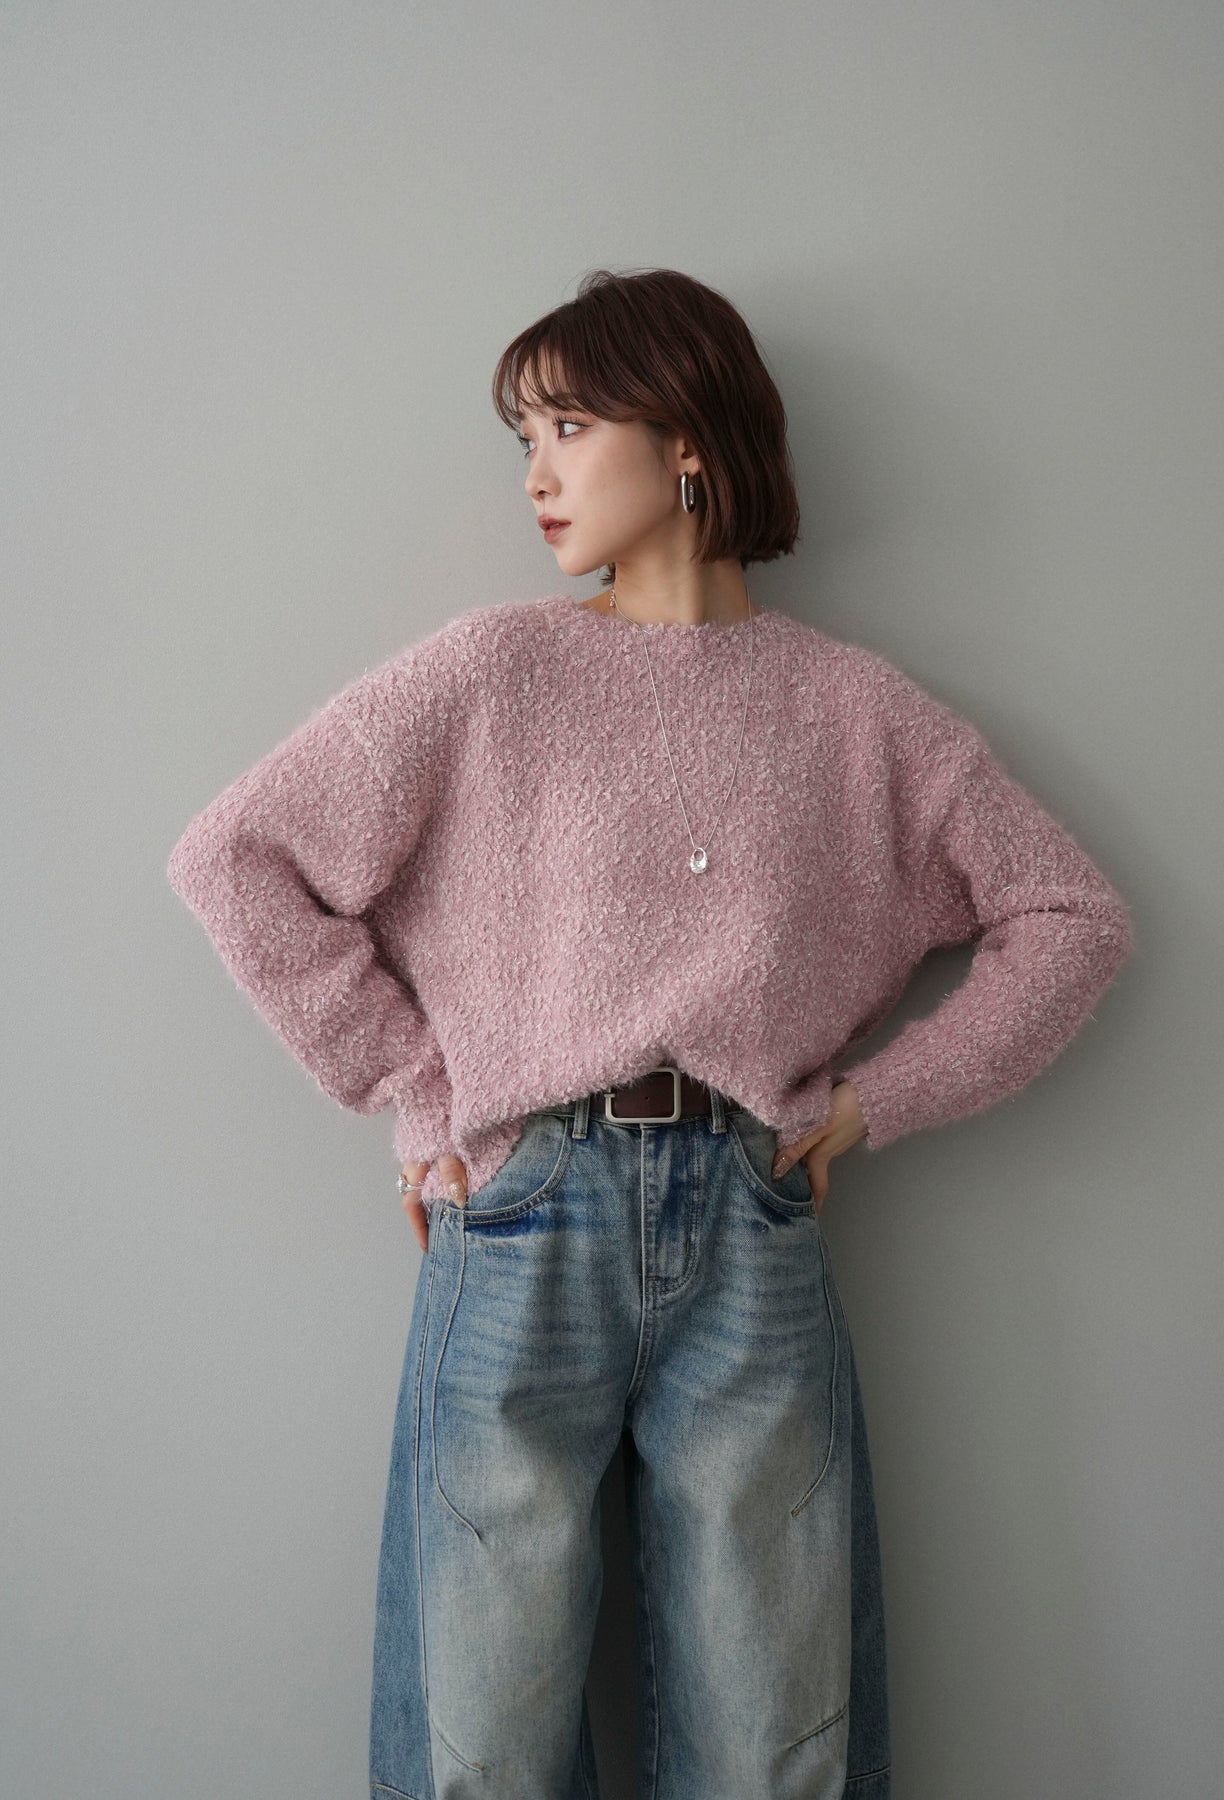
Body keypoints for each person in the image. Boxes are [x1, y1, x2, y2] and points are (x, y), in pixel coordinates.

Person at [166, 266, 1135, 1800]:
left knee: (774, 1736)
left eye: (566, 427)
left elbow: (1070, 920)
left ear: (684, 437)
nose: (534, 474)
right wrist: (418, 1096)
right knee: (483, 1736)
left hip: (752, 1214)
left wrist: (873, 1103)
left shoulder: (853, 713)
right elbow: (237, 858)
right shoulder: (492, 671)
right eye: (522, 439)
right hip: (520, 1209)